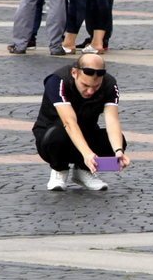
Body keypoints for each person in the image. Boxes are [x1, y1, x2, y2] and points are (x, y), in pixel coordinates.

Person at [32, 54, 130, 191]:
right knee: (58, 134)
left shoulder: (109, 83)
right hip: (52, 135)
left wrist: (118, 151)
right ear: (74, 73)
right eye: (85, 85)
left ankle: (83, 172)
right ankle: (59, 170)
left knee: (119, 141)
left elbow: (112, 120)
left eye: (96, 86)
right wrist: (87, 154)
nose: (90, 91)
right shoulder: (57, 81)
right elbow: (69, 122)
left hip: (87, 132)